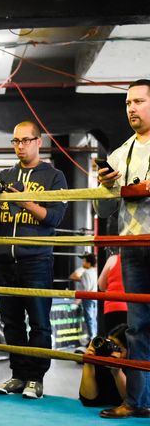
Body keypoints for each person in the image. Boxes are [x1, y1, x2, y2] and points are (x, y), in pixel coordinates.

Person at [0, 120, 67, 399]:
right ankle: (17, 375)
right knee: (11, 322)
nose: (20, 146)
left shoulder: (54, 177)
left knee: (39, 321)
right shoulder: (5, 173)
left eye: (26, 140)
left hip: (36, 259)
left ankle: (35, 378)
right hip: (5, 259)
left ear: (38, 142)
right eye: (16, 141)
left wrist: (24, 200)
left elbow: (53, 218)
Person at [93, 78, 150, 419]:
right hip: (132, 247)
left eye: (139, 101)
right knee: (138, 326)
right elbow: (105, 212)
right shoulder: (120, 153)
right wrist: (105, 187)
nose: (131, 108)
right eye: (128, 103)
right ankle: (137, 402)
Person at [78, 324, 129, 409]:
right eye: (109, 342)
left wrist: (117, 372)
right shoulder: (102, 359)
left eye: (117, 346)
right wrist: (89, 362)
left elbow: (132, 403)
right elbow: (88, 400)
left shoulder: (137, 369)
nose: (111, 348)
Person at [70, 253, 98, 345]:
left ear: (89, 263)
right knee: (93, 318)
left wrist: (79, 299)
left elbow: (85, 289)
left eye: (84, 261)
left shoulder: (86, 273)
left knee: (89, 318)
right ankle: (94, 337)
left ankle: (92, 338)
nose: (82, 262)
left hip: (88, 298)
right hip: (95, 297)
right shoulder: (95, 271)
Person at [97, 250, 127, 332]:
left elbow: (101, 286)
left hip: (113, 307)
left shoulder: (113, 259)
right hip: (135, 308)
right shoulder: (141, 262)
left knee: (113, 341)